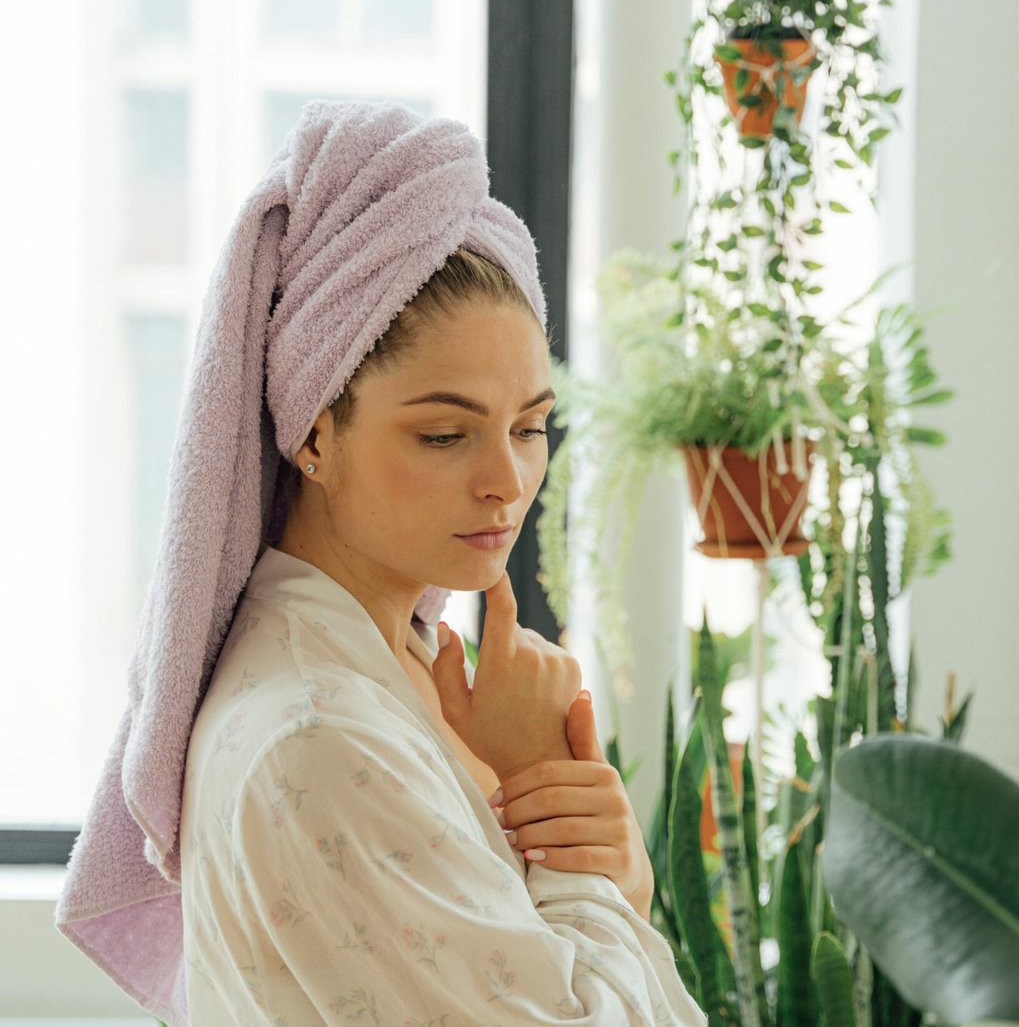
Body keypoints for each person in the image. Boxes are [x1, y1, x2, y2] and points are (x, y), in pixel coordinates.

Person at [54, 100, 707, 1026]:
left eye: (530, 427)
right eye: (445, 433)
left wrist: (588, 851)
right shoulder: (317, 738)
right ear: (315, 434)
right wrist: (583, 869)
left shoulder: (404, 675)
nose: (506, 482)